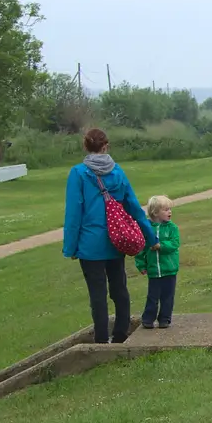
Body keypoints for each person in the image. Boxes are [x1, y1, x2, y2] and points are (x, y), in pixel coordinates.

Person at [62, 128, 157, 344]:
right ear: (106, 146)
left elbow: (74, 213)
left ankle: (102, 338)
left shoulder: (78, 173)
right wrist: (151, 238)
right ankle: (121, 333)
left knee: (97, 293)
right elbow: (133, 206)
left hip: (89, 244)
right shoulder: (117, 172)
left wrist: (71, 247)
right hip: (117, 241)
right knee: (119, 288)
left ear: (86, 147)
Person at [135, 195, 180, 329]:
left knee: (168, 296)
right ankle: (148, 319)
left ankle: (165, 319)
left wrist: (160, 246)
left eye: (170, 209)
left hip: (169, 269)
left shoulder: (172, 228)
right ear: (155, 213)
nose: (169, 212)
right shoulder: (147, 228)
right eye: (166, 210)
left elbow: (174, 244)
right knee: (153, 296)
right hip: (154, 270)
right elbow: (140, 249)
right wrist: (141, 265)